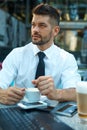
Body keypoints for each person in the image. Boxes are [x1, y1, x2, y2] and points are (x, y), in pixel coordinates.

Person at [0, 3, 81, 105]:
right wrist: (2, 94)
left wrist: (56, 93)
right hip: (19, 114)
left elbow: (75, 93)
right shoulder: (17, 54)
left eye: (42, 26)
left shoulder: (66, 59)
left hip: (52, 116)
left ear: (55, 31)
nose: (35, 30)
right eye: (33, 25)